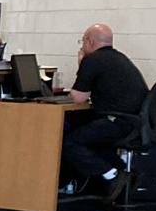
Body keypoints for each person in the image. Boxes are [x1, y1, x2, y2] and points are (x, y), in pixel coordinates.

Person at [61, 24, 149, 201]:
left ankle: (113, 175)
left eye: (82, 41)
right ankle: (124, 173)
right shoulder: (120, 58)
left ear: (89, 42)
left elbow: (78, 97)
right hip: (135, 123)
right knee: (92, 141)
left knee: (69, 142)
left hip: (117, 122)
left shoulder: (92, 60)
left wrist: (82, 64)